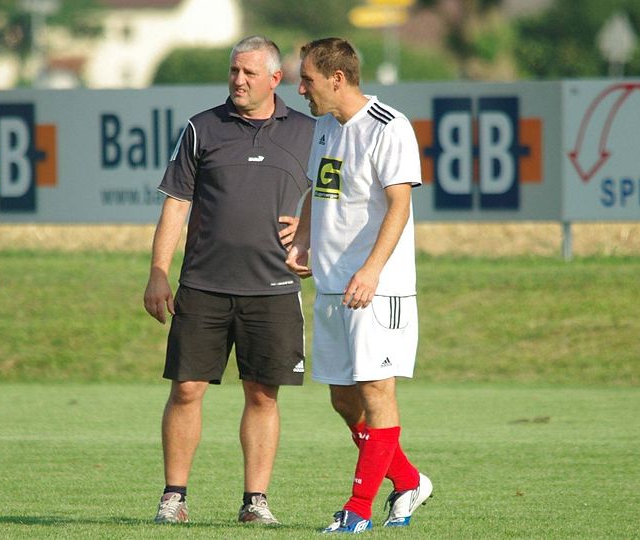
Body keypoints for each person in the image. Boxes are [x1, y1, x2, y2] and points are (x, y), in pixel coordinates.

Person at [143, 35, 315, 526]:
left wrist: (310, 234)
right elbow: (176, 203)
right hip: (204, 285)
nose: (238, 81)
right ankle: (173, 498)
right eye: (233, 72)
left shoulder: (310, 131)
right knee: (187, 389)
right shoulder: (202, 128)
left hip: (275, 288)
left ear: (275, 79)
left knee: (263, 394)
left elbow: (337, 195)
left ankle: (255, 501)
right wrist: (158, 272)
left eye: (249, 74)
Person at [286, 37, 432, 534]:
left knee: (375, 391)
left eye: (306, 79)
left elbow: (399, 206)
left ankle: (359, 509)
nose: (299, 88)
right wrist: (304, 239)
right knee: (344, 400)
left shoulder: (389, 127)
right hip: (331, 286)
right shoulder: (326, 128)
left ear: (337, 78)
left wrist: (371, 270)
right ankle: (409, 479)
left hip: (377, 286)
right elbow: (318, 188)